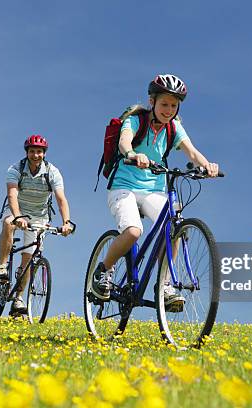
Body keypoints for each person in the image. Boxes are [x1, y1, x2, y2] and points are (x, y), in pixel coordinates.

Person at [91, 74, 219, 310]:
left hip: (154, 189)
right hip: (124, 187)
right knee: (132, 231)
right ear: (152, 102)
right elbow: (124, 142)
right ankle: (104, 271)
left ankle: (166, 286)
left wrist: (207, 164)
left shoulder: (174, 128)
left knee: (173, 227)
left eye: (173, 105)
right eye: (164, 104)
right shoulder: (136, 120)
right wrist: (132, 154)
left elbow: (191, 152)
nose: (168, 110)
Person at [0, 135, 74, 315]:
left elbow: (61, 199)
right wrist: (17, 217)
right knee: (8, 224)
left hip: (39, 216)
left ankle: (18, 299)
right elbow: (12, 195)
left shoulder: (52, 172)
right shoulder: (16, 169)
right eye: (32, 151)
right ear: (27, 153)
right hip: (17, 209)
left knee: (29, 259)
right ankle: (2, 266)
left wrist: (66, 222)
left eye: (39, 152)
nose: (35, 155)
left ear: (44, 154)